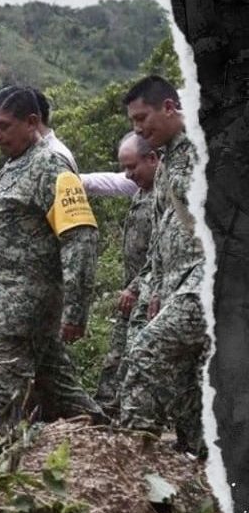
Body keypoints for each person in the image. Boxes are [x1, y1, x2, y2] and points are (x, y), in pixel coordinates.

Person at [0, 86, 104, 430]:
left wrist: (76, 310)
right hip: (5, 305)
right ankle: (110, 436)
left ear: (31, 122)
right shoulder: (17, 162)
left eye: (3, 126)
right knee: (60, 391)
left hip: (22, 311)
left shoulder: (51, 165)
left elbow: (80, 238)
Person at [118, 75, 207, 456]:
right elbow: (163, 230)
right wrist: (156, 287)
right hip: (177, 282)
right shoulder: (168, 158)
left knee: (147, 350)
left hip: (208, 280)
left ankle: (133, 455)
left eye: (143, 118)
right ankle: (201, 465)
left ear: (169, 108)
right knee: (189, 384)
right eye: (133, 122)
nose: (138, 129)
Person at [92, 132, 160, 413]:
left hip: (152, 292)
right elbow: (106, 182)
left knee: (139, 359)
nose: (128, 175)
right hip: (132, 293)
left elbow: (162, 252)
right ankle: (107, 413)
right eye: (125, 168)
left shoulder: (167, 195)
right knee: (116, 358)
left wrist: (136, 287)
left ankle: (139, 421)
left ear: (153, 159)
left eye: (133, 167)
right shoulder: (141, 189)